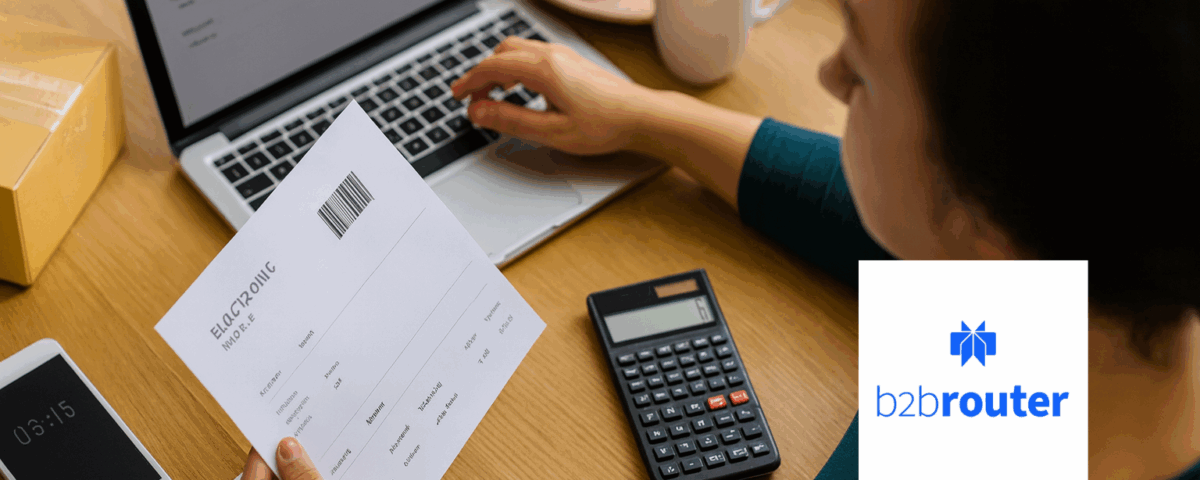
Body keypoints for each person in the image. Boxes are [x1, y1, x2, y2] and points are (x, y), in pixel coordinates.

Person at [244, 0, 1199, 478]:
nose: (824, 77)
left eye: (859, 72)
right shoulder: (1095, 284)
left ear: (987, 220)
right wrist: (648, 118)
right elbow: (886, 212)